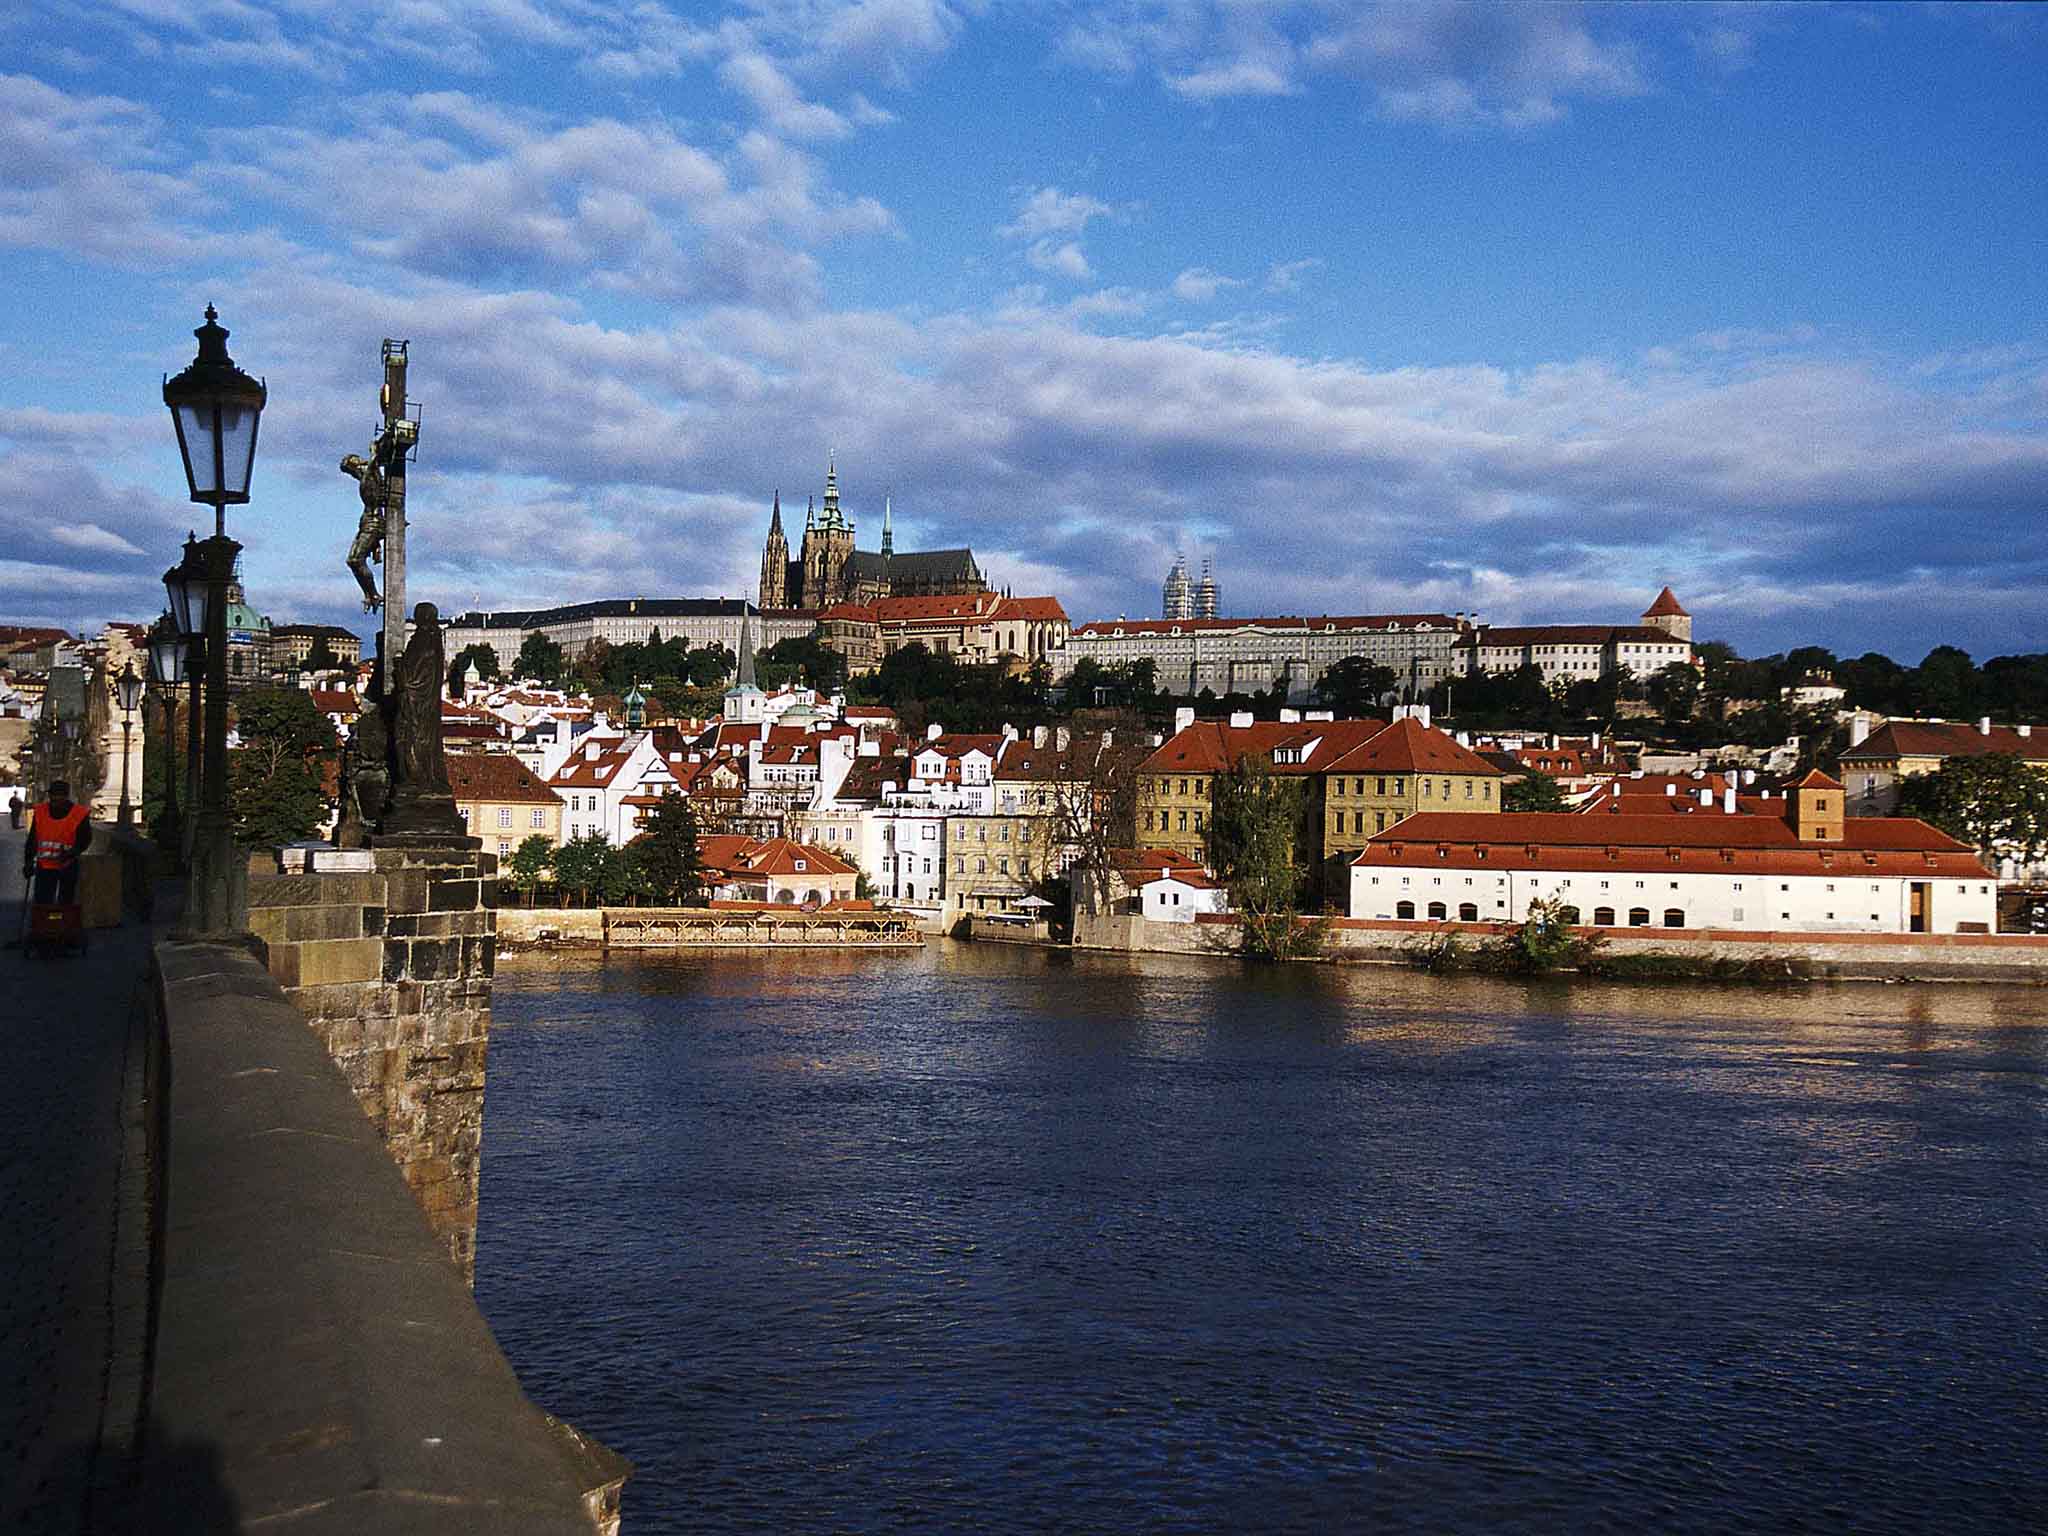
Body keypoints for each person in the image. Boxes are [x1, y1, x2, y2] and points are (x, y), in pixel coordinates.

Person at [23, 779, 91, 908]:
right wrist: (28, 861)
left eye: (57, 797)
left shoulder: (79, 814)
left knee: (65, 903)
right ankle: (44, 925)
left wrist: (73, 852)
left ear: (65, 797)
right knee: (43, 903)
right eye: (52, 796)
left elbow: (85, 839)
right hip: (44, 866)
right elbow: (33, 839)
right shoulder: (41, 811)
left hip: (67, 864)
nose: (54, 800)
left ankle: (62, 925)